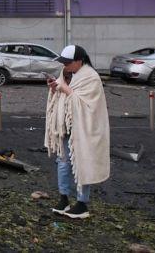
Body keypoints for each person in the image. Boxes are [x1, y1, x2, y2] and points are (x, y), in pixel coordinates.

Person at [44, 45, 110, 219]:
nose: (64, 65)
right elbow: (63, 96)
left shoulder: (91, 77)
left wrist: (65, 89)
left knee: (83, 161)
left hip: (84, 128)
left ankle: (82, 204)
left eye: (68, 62)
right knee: (62, 161)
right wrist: (54, 88)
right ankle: (63, 198)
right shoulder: (66, 73)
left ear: (79, 61)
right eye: (63, 62)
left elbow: (89, 106)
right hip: (65, 126)